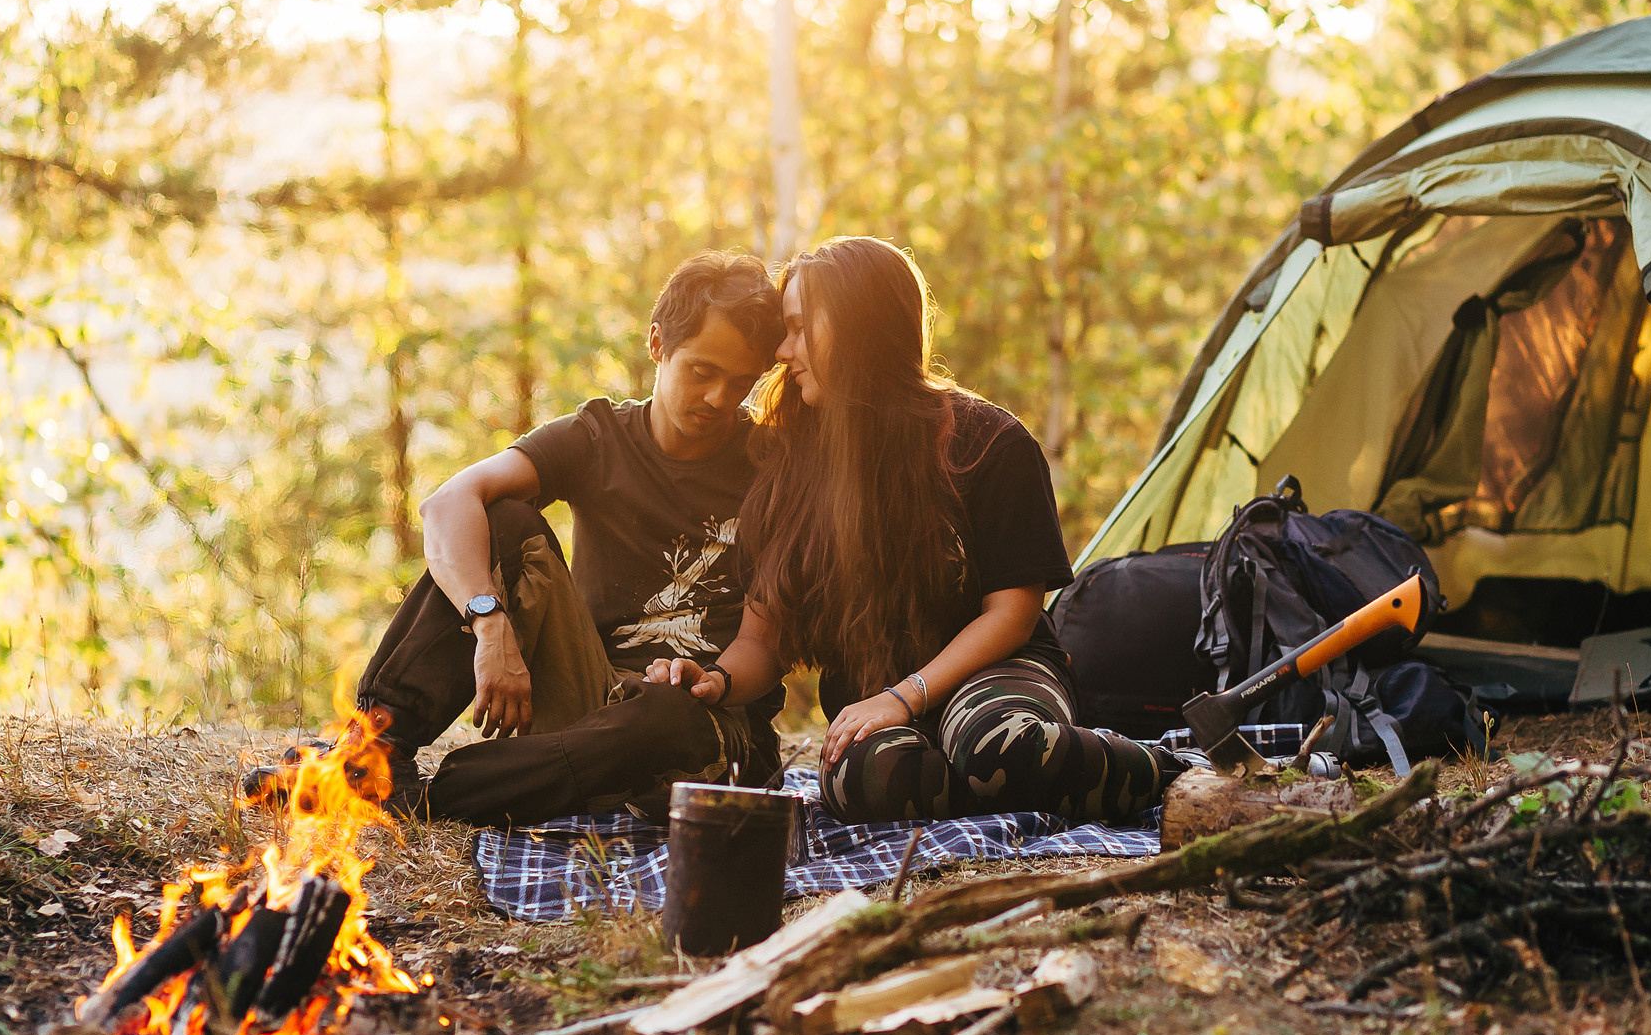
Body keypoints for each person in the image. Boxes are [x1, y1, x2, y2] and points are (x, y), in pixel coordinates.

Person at [648, 236, 1181, 824]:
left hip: (995, 672)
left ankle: (1172, 770)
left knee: (997, 748)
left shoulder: (987, 442)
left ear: (857, 326)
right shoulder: (787, 463)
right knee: (871, 782)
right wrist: (717, 681)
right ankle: (1005, 786)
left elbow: (1014, 612)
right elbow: (762, 639)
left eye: (799, 328)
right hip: (871, 701)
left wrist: (905, 696)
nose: (781, 349)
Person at [266, 252, 787, 824]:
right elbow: (447, 505)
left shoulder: (772, 465)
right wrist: (489, 624)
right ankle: (371, 754)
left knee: (663, 721)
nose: (718, 398)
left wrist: (714, 681)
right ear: (659, 344)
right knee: (503, 521)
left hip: (706, 727)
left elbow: (764, 645)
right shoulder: (599, 437)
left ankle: (427, 801)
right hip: (593, 693)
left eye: (740, 383)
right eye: (702, 371)